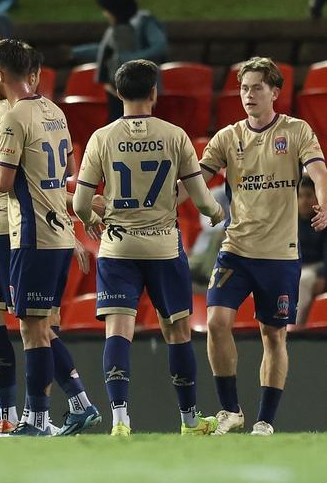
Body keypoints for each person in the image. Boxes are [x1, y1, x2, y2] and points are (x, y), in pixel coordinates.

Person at [0, 39, 102, 436]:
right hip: (57, 231)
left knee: (32, 328)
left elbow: (2, 181)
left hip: (32, 233)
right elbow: (64, 171)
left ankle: (38, 418)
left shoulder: (14, 117)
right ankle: (77, 404)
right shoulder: (52, 110)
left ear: (0, 74)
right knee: (38, 326)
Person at [73, 59, 223, 436]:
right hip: (163, 249)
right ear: (154, 92)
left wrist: (96, 219)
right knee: (177, 332)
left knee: (118, 332)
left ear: (119, 93)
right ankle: (189, 421)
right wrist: (218, 211)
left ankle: (120, 420)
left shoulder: (102, 138)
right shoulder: (174, 135)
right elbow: (203, 202)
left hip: (118, 248)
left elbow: (79, 204)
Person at [194, 56, 327, 436]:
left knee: (274, 335)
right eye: (243, 88)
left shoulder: (296, 131)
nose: (248, 95)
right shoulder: (228, 137)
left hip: (280, 255)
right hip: (236, 249)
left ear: (275, 92)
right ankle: (231, 409)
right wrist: (191, 199)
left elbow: (318, 171)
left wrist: (325, 202)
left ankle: (265, 421)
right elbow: (198, 177)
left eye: (256, 87)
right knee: (218, 323)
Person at [94, 0, 167, 123]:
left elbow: (160, 46)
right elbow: (107, 51)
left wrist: (130, 58)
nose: (105, 14)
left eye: (108, 10)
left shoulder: (143, 22)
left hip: (139, 88)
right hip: (116, 89)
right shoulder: (116, 28)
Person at [297, 176, 327, 326]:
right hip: (294, 265)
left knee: (303, 280)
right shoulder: (289, 221)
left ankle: (296, 328)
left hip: (316, 266)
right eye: (300, 196)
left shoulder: (323, 220)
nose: (304, 201)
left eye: (308, 196)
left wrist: (323, 275)